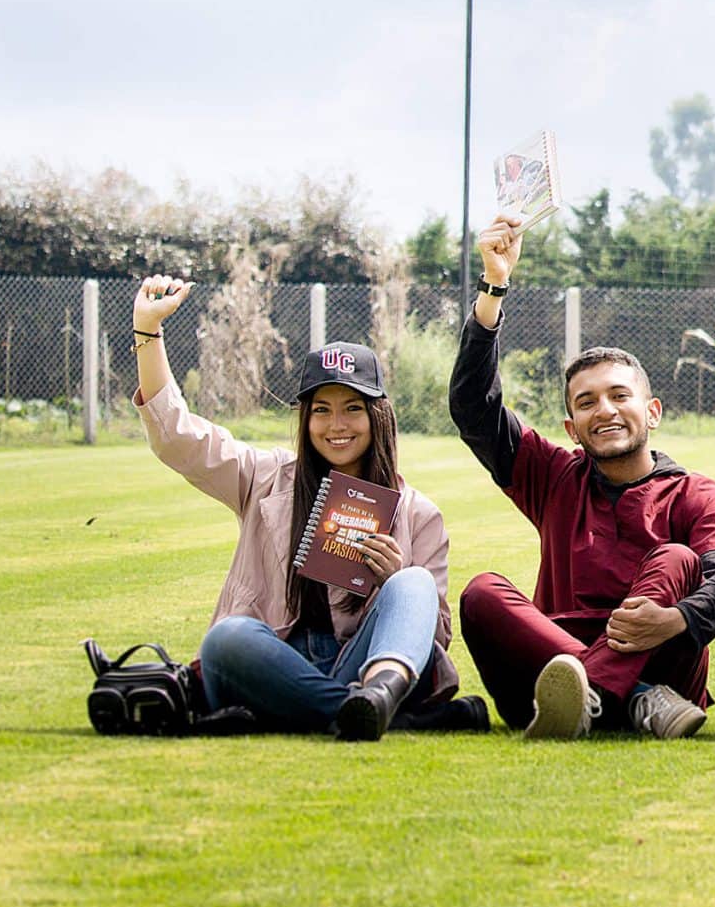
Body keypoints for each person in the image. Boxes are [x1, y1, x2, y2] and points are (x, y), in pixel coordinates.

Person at [131, 275, 470, 740]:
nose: (337, 426)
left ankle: (373, 699)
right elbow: (178, 437)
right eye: (321, 409)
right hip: (272, 662)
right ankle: (367, 712)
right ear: (305, 418)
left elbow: (433, 637)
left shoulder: (418, 513)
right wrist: (148, 333)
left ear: (378, 416)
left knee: (414, 582)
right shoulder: (264, 478)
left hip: (364, 664)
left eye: (353, 408)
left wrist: (390, 580)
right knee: (227, 638)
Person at [451, 215, 715, 740]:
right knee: (481, 593)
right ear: (572, 426)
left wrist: (676, 620)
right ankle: (623, 699)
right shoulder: (554, 476)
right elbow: (475, 408)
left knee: (678, 558)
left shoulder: (697, 494)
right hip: (553, 686)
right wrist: (493, 288)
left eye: (619, 396)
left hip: (663, 669)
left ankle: (604, 692)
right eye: (587, 403)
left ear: (651, 411)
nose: (604, 410)